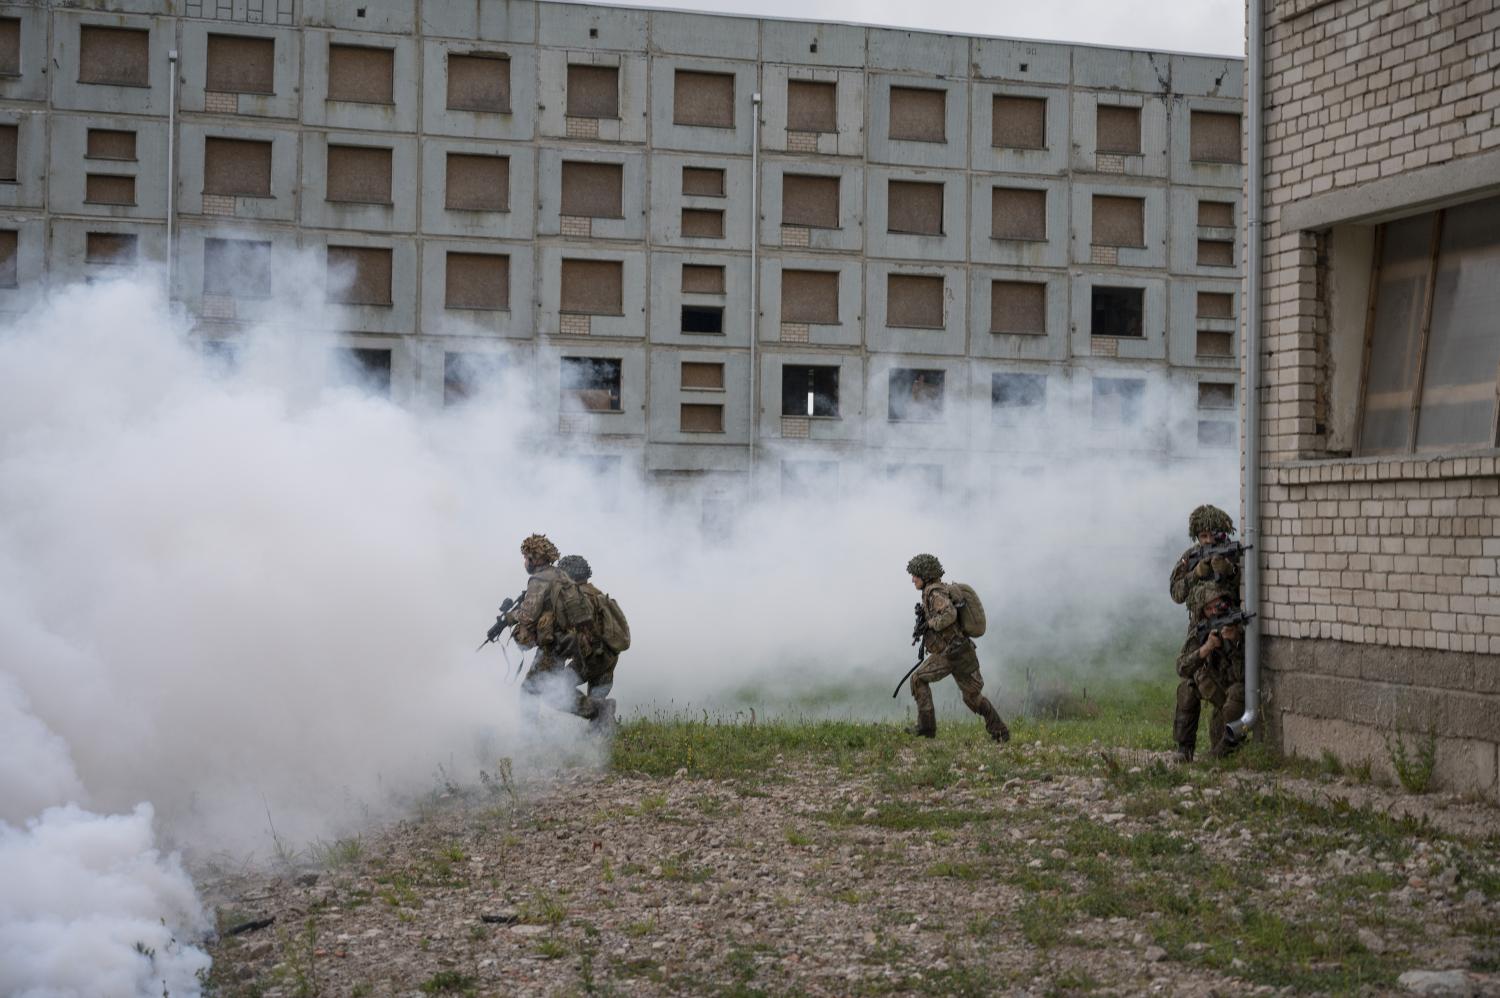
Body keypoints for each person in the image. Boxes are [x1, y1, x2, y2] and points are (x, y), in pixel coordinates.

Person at [508, 534, 612, 730]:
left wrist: (510, 617)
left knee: (533, 689)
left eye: (527, 557)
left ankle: (597, 711)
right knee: (547, 688)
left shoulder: (539, 579)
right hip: (572, 640)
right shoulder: (561, 575)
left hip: (556, 643)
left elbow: (527, 616)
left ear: (535, 558)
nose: (525, 562)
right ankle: (598, 713)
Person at [904, 553, 1010, 743]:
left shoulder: (934, 593)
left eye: (915, 575)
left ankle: (927, 728)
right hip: (960, 651)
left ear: (925, 574)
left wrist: (930, 624)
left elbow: (950, 614)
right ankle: (1000, 731)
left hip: (950, 653)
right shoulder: (935, 590)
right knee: (972, 698)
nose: (912, 579)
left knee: (918, 679)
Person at [1173, 583, 1246, 761]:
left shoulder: (1239, 626)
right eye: (1209, 608)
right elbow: (1181, 667)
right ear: (1202, 611)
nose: (1214, 611)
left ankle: (1229, 747)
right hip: (1217, 689)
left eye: (1218, 605)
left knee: (1237, 693)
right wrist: (1205, 649)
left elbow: (1245, 674)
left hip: (1237, 692)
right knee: (1187, 688)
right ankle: (1184, 748)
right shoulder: (1202, 629)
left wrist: (1236, 641)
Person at [556, 554, 620, 732]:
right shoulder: (598, 594)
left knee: (554, 690)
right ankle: (611, 738)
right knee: (600, 716)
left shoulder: (577, 599)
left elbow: (570, 634)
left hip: (590, 659)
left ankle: (603, 719)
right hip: (608, 657)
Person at [1169, 504, 1240, 618]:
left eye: (1213, 535)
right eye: (1204, 536)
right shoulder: (1190, 556)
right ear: (1197, 537)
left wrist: (1230, 570)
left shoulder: (1232, 552)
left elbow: (1248, 586)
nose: (1209, 540)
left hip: (1230, 620)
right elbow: (1176, 594)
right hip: (1200, 625)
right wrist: (1195, 574)